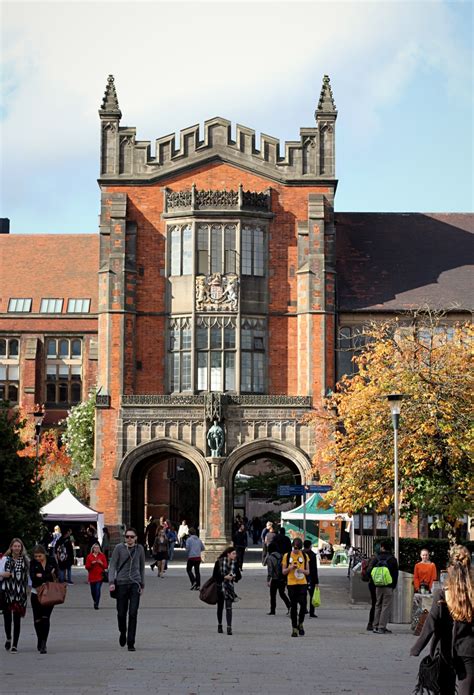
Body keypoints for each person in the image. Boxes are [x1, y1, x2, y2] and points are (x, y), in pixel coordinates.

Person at [411, 545, 473, 695]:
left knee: (445, 690)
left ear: (449, 569)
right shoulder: (471, 594)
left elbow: (431, 622)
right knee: (466, 690)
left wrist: (417, 647)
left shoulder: (442, 594)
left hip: (446, 650)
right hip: (469, 649)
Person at [108, 527, 145, 652]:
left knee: (133, 613)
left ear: (136, 538)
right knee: (121, 613)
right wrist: (111, 582)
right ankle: (123, 631)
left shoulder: (139, 549)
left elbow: (142, 567)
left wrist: (142, 584)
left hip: (135, 583)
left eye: (132, 537)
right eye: (127, 536)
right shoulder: (119, 548)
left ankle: (131, 642)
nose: (129, 539)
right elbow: (112, 565)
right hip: (121, 584)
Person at [29, 544, 58, 654]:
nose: (38, 558)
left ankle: (43, 643)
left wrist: (43, 575)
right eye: (36, 556)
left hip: (49, 593)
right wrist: (47, 575)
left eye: (40, 556)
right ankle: (39, 638)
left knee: (46, 617)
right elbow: (34, 578)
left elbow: (56, 574)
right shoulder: (33, 563)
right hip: (36, 593)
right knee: (37, 619)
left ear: (44, 554)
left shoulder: (51, 560)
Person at [3, 538, 29, 653]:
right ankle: (8, 637)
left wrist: (29, 588)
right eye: (15, 546)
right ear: (11, 547)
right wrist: (4, 574)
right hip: (7, 592)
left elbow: (29, 575)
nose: (17, 548)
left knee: (17, 619)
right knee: (7, 618)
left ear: (21, 548)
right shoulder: (5, 559)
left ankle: (15, 644)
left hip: (20, 593)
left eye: (19, 546)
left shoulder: (25, 560)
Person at [369, 539, 399, 634]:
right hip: (388, 586)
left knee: (378, 605)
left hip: (377, 585)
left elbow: (370, 571)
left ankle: (375, 625)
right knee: (386, 606)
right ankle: (382, 627)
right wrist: (393, 585)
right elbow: (395, 574)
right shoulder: (392, 559)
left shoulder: (376, 558)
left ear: (382, 547)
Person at [283, 537, 310, 637]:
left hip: (302, 583)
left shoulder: (305, 556)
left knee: (303, 605)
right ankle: (294, 628)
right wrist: (290, 568)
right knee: (293, 607)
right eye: (294, 548)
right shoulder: (287, 556)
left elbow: (308, 571)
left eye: (297, 549)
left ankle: (301, 623)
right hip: (291, 584)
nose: (296, 551)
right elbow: (283, 571)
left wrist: (301, 570)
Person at [213, 547, 242, 635]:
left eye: (235, 553)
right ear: (228, 554)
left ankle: (229, 627)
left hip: (229, 588)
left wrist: (234, 577)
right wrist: (224, 577)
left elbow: (239, 576)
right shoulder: (219, 562)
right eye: (233, 553)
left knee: (229, 608)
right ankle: (220, 625)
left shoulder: (235, 563)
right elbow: (214, 576)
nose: (235, 555)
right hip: (220, 587)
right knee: (220, 607)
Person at [265, 541, 291, 615]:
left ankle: (272, 610)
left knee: (273, 595)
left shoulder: (270, 558)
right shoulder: (281, 555)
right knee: (282, 594)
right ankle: (289, 606)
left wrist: (268, 580)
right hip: (281, 578)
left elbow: (270, 570)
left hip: (274, 578)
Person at [85, 542, 108, 609]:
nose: (97, 549)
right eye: (95, 548)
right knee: (93, 591)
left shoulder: (102, 556)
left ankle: (96, 603)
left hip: (99, 576)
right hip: (92, 576)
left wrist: (101, 563)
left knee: (98, 589)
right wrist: (92, 564)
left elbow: (105, 566)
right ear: (93, 549)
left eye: (98, 548)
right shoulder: (89, 556)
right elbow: (87, 567)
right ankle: (95, 600)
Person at [303, 540, 320, 618]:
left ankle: (303, 609)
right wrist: (316, 581)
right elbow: (314, 569)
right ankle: (311, 612)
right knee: (312, 595)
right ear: (310, 546)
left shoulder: (301, 553)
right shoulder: (312, 555)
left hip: (301, 577)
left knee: (302, 595)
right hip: (311, 578)